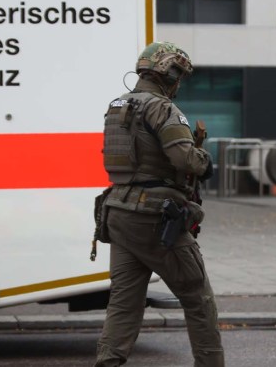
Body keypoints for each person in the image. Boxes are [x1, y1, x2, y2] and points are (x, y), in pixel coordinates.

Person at [95, 42, 224, 367]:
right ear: (169, 74)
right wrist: (205, 162)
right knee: (198, 299)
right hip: (155, 218)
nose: (179, 84)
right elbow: (184, 158)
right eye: (179, 77)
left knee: (123, 306)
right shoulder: (162, 108)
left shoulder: (117, 106)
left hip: (119, 214)